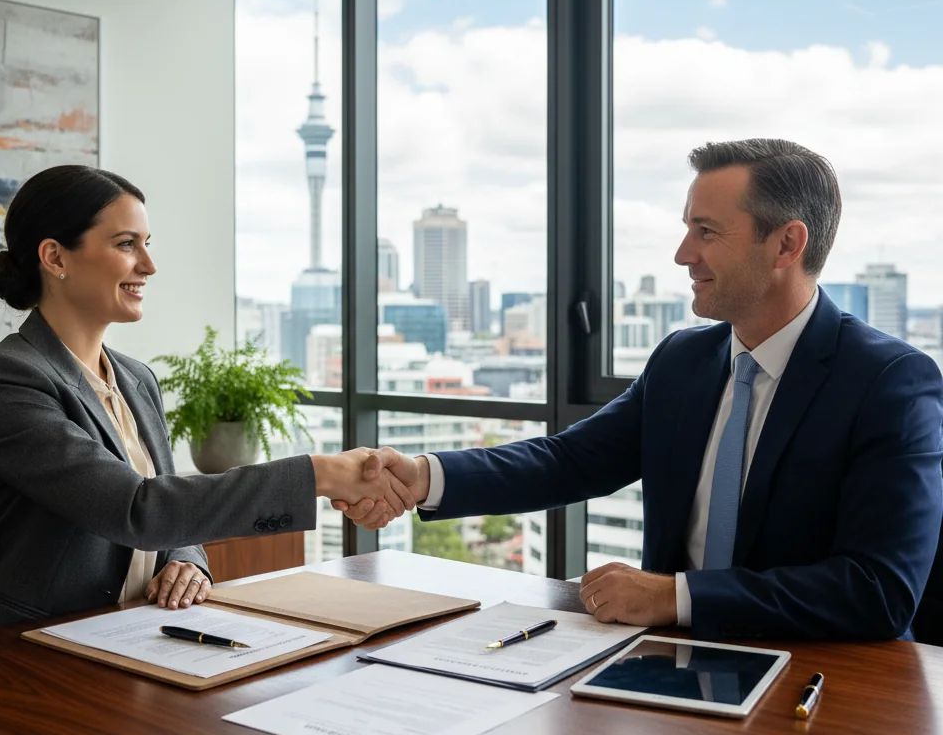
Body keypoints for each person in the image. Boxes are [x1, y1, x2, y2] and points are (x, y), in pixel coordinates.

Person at [340, 139, 943, 641]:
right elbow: (570, 461)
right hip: (669, 668)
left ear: (787, 244)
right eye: (687, 229)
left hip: (825, 688)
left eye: (706, 231)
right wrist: (423, 476)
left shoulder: (889, 383)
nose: (684, 254)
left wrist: (672, 595)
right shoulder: (684, 359)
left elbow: (878, 591)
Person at [0, 165, 404, 632]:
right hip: (22, 647)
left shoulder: (136, 378)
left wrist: (187, 560)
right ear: (55, 257)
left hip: (132, 631)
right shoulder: (6, 383)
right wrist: (321, 473)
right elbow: (138, 508)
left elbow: (168, 513)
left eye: (148, 244)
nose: (148, 265)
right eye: (127, 244)